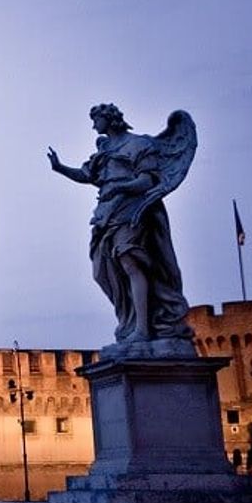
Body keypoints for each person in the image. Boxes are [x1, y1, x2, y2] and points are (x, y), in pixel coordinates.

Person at [47, 104, 197, 352]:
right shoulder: (104, 151)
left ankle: (143, 329)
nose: (94, 126)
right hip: (107, 212)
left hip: (133, 208)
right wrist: (60, 167)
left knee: (131, 262)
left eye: (96, 120)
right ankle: (129, 322)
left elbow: (147, 180)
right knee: (103, 270)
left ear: (109, 119)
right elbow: (88, 175)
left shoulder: (138, 145)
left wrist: (121, 188)